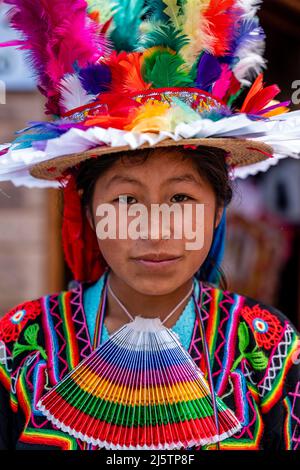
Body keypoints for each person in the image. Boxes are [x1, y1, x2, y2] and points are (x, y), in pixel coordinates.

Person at [0, 0, 300, 450]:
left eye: (181, 198)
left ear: (219, 210)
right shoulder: (20, 343)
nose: (154, 230)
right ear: (88, 209)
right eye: (125, 199)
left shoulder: (268, 347)